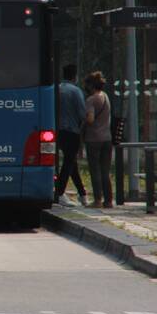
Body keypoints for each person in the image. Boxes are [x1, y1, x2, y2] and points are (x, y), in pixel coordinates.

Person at [55, 64, 87, 204]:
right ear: (75, 76)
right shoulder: (75, 91)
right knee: (69, 162)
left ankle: (82, 194)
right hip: (72, 131)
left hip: (58, 131)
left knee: (71, 162)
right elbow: (82, 113)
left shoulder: (57, 89)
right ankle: (59, 192)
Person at [83, 70, 113, 208]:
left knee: (95, 170)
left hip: (94, 139)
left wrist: (82, 118)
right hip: (107, 138)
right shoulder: (105, 96)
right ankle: (109, 200)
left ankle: (97, 200)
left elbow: (90, 119)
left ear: (91, 85)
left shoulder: (91, 99)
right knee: (105, 171)